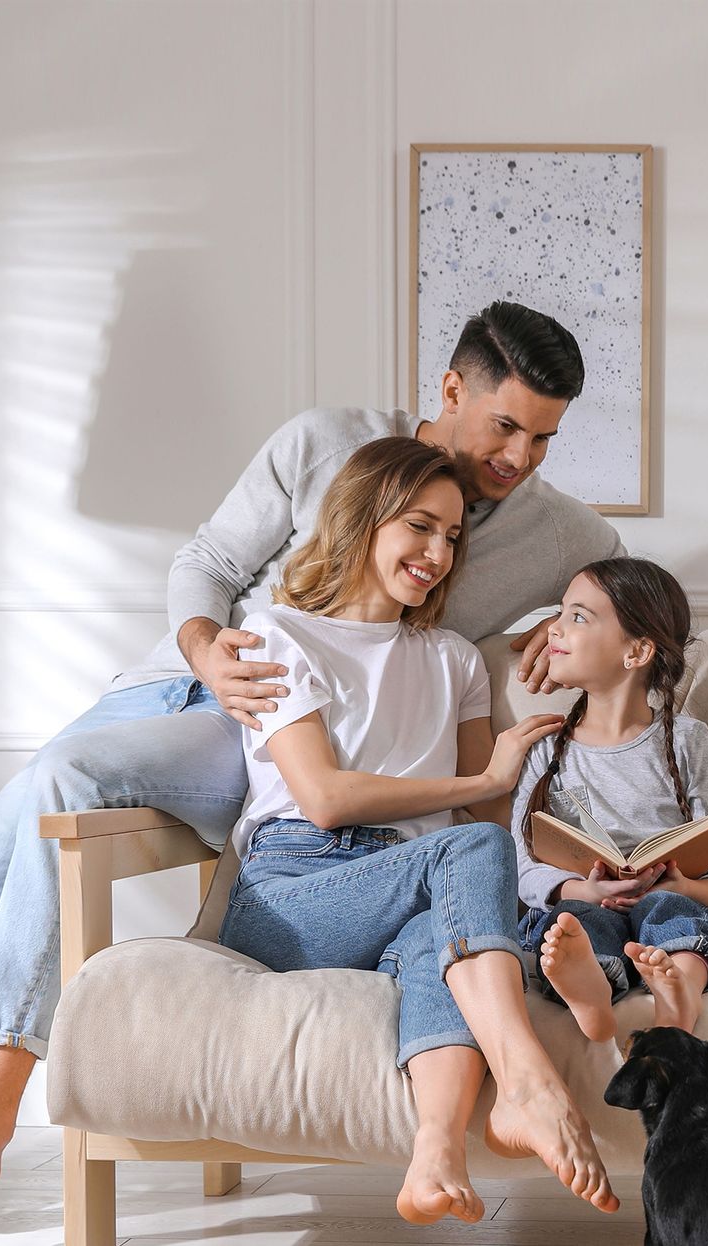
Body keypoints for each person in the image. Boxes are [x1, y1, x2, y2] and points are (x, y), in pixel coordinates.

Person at [0, 300, 623, 1244]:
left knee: (61, 785)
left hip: (285, 742)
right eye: (506, 426)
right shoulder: (326, 442)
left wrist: (562, 632)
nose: (519, 458)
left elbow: (624, 587)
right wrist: (205, 651)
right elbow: (209, 562)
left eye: (543, 439)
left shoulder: (550, 531)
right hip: (197, 691)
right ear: (451, 388)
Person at [214, 436, 614, 1223]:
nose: (437, 554)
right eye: (420, 527)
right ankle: (526, 1079)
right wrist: (485, 783)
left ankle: (437, 1154)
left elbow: (491, 821)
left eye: (453, 537)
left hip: (415, 883)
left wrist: (592, 854)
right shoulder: (278, 636)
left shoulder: (454, 659)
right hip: (293, 892)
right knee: (464, 856)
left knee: (448, 935)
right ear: (363, 519)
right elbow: (324, 798)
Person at [513, 559, 708, 1042]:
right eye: (561, 612)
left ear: (637, 651)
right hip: (585, 903)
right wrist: (580, 890)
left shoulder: (690, 741)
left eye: (578, 617)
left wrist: (689, 887)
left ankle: (680, 989)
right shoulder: (544, 750)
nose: (553, 628)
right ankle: (591, 992)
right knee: (572, 926)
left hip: (671, 899)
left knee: (673, 911)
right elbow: (523, 866)